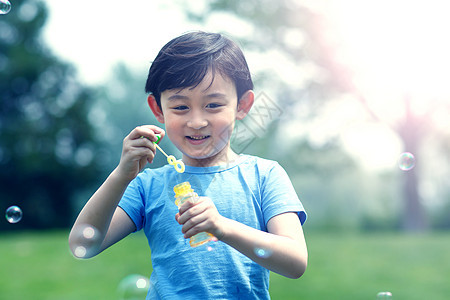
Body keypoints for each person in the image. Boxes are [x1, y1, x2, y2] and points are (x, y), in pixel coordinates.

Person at [69, 31, 308, 299]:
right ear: (158, 109)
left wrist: (222, 227)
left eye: (213, 105)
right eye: (181, 107)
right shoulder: (148, 185)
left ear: (242, 105)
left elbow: (295, 261)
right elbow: (83, 244)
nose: (196, 121)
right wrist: (120, 176)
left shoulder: (264, 176)